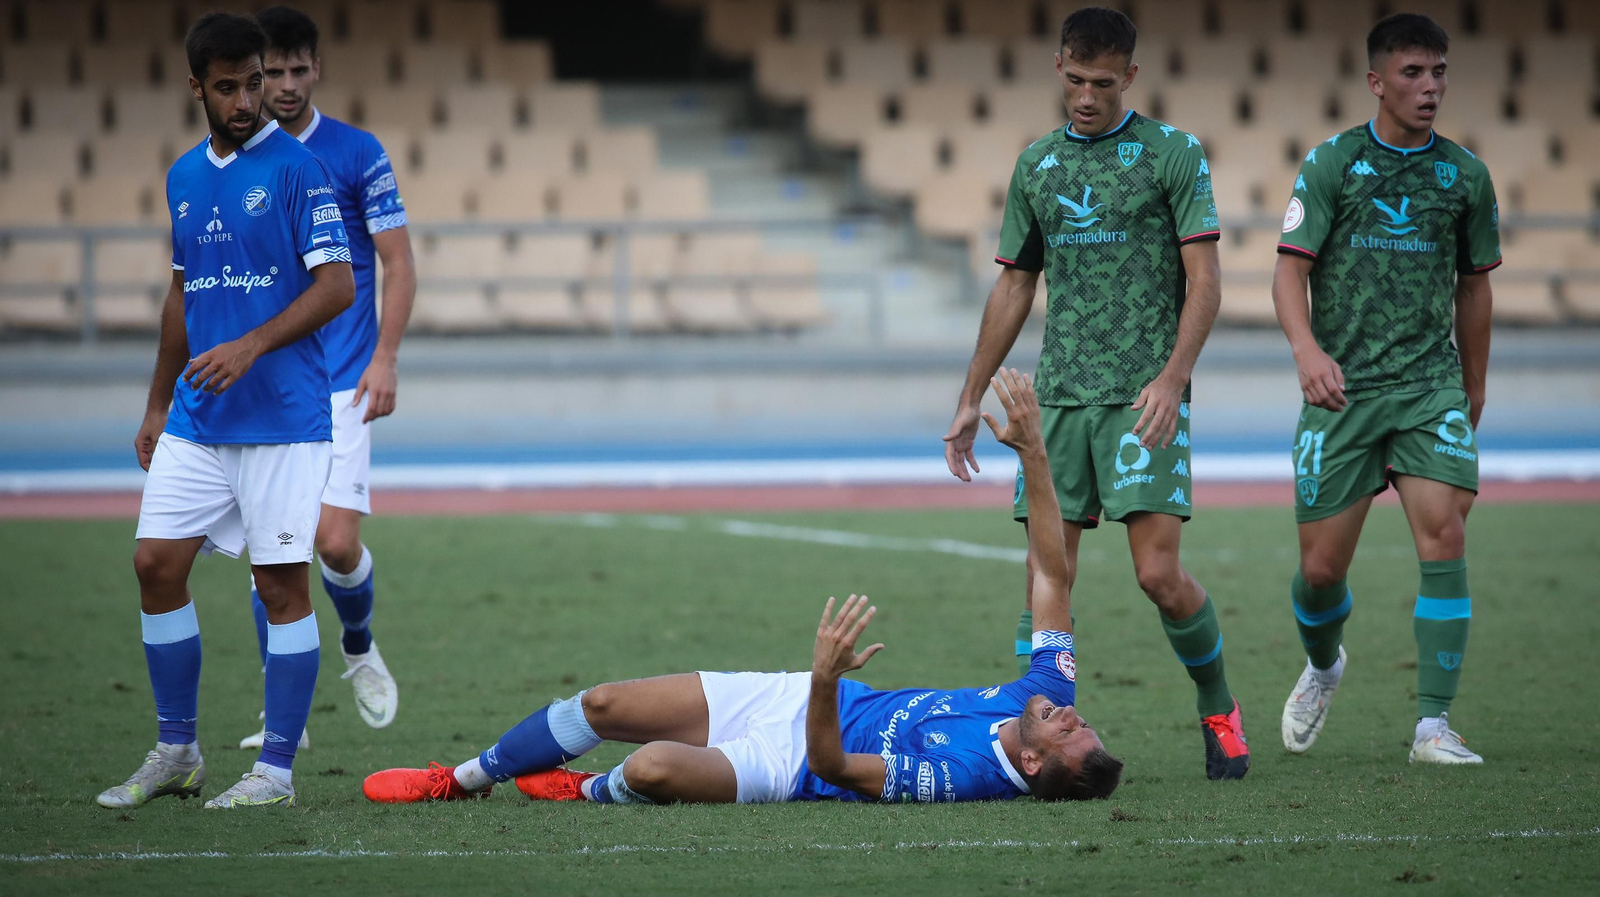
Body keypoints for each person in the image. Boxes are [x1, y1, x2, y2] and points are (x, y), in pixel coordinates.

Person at [362, 370, 1124, 806]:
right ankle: (460, 781)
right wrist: (1032, 453)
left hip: (791, 761)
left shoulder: (954, 777)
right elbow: (1054, 572)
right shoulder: (1042, 684)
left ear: (1031, 765)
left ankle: (587, 790)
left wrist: (827, 678)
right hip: (789, 696)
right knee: (600, 703)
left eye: (1066, 730)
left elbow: (830, 765)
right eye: (1077, 717)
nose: (1067, 711)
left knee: (650, 766)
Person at [940, 6, 1247, 779]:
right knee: (1048, 576)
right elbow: (1015, 282)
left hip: (1144, 396)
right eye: (1075, 79)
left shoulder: (1171, 153)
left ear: (1130, 79)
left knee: (1158, 576)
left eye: (1102, 83)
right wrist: (971, 394)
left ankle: (1219, 709)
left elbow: (1205, 281)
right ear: (1058, 68)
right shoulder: (1037, 164)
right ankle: (1031, 737)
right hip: (1061, 401)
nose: (1086, 96)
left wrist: (1173, 380)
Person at [96, 12, 354, 810]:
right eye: (230, 86)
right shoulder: (182, 175)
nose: (248, 100)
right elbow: (182, 293)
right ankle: (177, 748)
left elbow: (338, 285)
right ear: (198, 86)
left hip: (282, 418)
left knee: (280, 586)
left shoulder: (296, 168)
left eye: (257, 82)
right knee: (154, 565)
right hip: (198, 419)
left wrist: (250, 345)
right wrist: (155, 399)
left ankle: (274, 771)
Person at [1273, 14, 1498, 765]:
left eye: (1438, 72)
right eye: (1412, 72)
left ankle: (1433, 725)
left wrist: (1473, 384)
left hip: (1428, 387)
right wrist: (1306, 350)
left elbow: (1474, 287)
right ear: (1376, 81)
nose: (1429, 86)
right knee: (1319, 574)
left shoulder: (1464, 176)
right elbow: (1289, 270)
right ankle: (1326, 663)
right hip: (1343, 393)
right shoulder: (1334, 164)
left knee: (1445, 534)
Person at [230, 5, 416, 750]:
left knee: (334, 546)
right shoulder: (237, 160)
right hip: (271, 388)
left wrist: (387, 356)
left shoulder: (356, 152)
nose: (284, 84)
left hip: (342, 381)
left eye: (296, 68)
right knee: (275, 554)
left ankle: (359, 643)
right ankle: (286, 720)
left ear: (317, 68)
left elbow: (397, 262)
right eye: (270, 72)